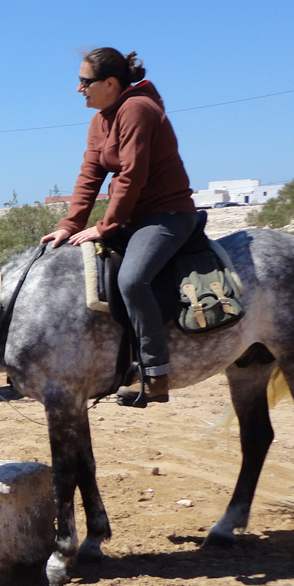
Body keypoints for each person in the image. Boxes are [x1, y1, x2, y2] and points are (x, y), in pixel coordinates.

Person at [39, 48, 196, 406]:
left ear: (110, 83)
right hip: (135, 217)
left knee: (131, 279)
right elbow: (90, 174)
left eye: (84, 82)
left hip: (166, 215)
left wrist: (106, 226)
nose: (79, 89)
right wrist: (70, 225)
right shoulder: (100, 120)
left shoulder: (137, 109)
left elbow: (132, 174)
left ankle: (155, 373)